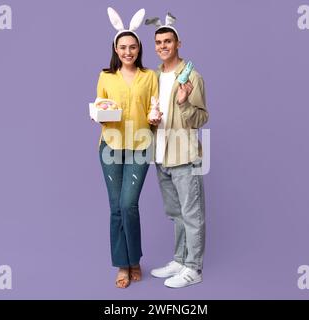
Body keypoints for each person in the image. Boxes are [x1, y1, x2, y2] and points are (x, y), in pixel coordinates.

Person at [95, 7, 158, 289]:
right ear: (116, 49)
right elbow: (101, 106)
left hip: (140, 146)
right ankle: (123, 263)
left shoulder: (150, 76)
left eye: (132, 47)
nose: (128, 51)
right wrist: (98, 113)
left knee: (128, 204)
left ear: (139, 48)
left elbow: (154, 109)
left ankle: (136, 259)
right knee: (115, 208)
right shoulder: (106, 76)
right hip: (110, 146)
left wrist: (156, 117)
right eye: (123, 47)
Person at [145, 13, 209, 288]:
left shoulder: (192, 76)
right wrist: (151, 120)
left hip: (185, 157)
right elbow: (153, 111)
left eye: (168, 41)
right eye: (159, 42)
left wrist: (183, 103)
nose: (163, 46)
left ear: (178, 43)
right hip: (161, 156)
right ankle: (180, 260)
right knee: (176, 214)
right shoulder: (155, 77)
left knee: (192, 215)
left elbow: (201, 119)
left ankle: (194, 268)